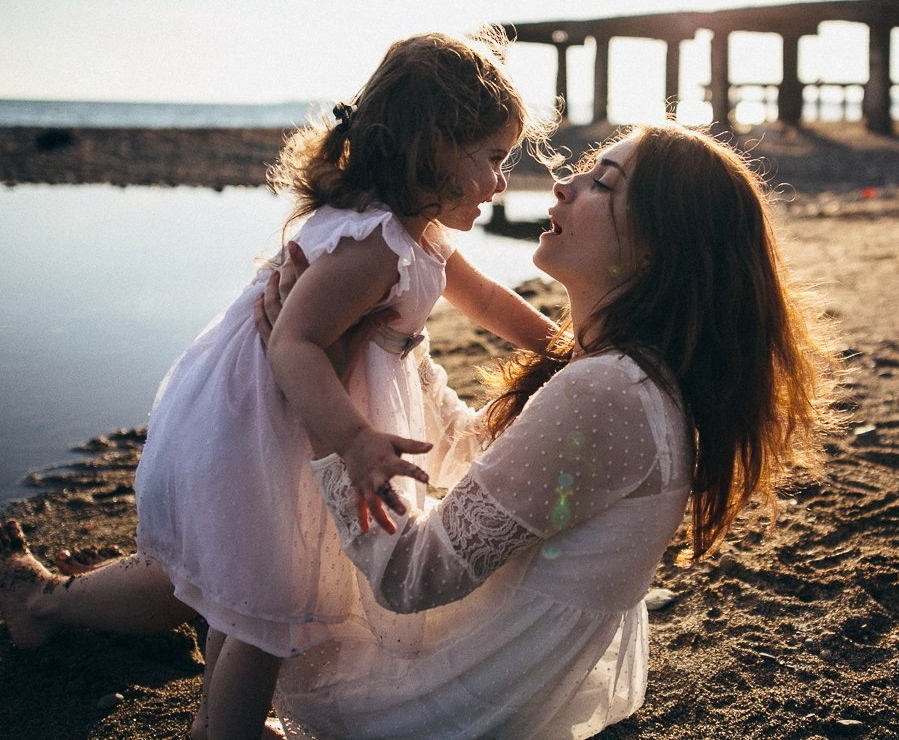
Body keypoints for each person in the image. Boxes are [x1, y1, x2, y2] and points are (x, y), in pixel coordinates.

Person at [0, 122, 841, 740]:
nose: (560, 187)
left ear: (658, 248)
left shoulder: (611, 394)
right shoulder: (620, 377)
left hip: (455, 696)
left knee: (252, 559)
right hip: (496, 661)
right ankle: (50, 602)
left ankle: (52, 608)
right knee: (244, 556)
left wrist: (318, 387)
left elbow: (410, 574)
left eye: (602, 184)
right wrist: (388, 347)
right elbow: (476, 458)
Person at [2, 29, 559, 740]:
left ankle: (201, 707)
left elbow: (482, 299)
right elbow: (291, 345)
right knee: (271, 602)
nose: (502, 181)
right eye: (492, 158)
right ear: (433, 147)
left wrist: (560, 346)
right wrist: (355, 439)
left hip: (291, 423)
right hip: (265, 427)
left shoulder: (416, 235)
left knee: (250, 588)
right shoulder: (371, 246)